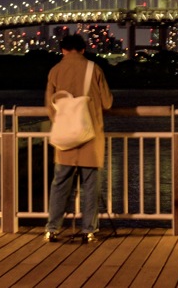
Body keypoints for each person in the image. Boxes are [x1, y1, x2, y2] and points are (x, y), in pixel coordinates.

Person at [44, 33, 113, 243]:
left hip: (65, 136)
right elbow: (107, 103)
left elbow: (50, 106)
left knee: (60, 183)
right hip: (90, 136)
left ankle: (52, 228)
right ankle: (88, 230)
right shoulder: (95, 69)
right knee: (91, 185)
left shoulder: (55, 70)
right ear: (83, 50)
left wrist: (64, 120)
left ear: (63, 50)